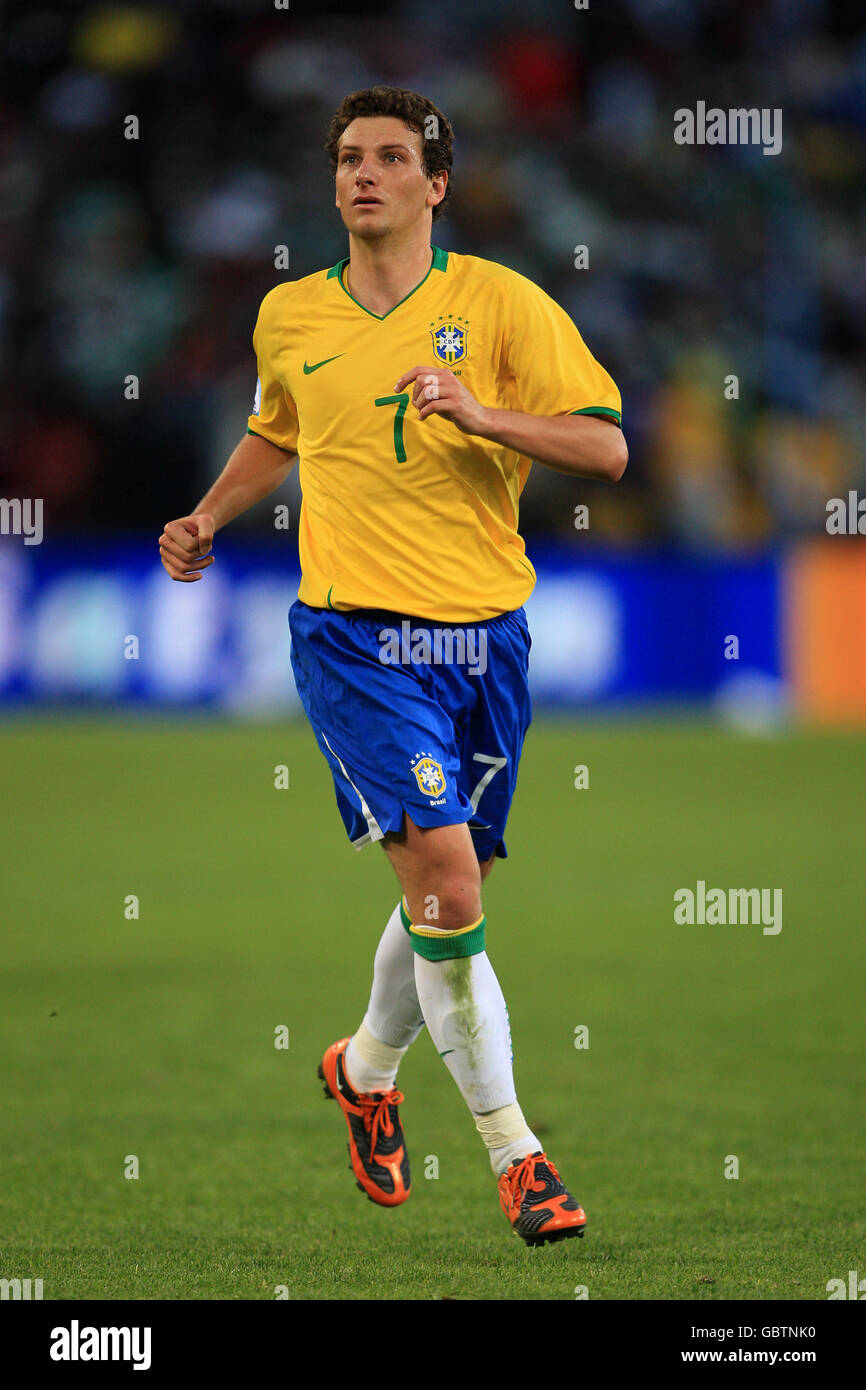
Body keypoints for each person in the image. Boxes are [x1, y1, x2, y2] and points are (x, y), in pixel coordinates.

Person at [159, 86, 626, 1245]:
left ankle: (364, 1069)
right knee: (449, 883)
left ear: (435, 185)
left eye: (388, 158)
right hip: (355, 639)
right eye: (347, 159)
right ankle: (517, 1156)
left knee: (440, 888)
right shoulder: (288, 316)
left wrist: (485, 415)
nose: (362, 175)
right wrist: (211, 515)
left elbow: (606, 445)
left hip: (484, 640)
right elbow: (280, 428)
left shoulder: (501, 303)